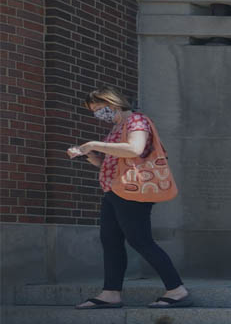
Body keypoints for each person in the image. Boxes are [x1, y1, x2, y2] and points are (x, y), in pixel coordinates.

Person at [67, 87, 191, 309]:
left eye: (98, 108)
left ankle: (176, 289)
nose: (96, 114)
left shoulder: (136, 121)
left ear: (112, 103)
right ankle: (110, 293)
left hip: (132, 191)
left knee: (140, 240)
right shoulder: (119, 126)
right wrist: (91, 156)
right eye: (93, 110)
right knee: (111, 240)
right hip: (115, 190)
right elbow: (113, 161)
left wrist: (94, 144)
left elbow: (135, 149)